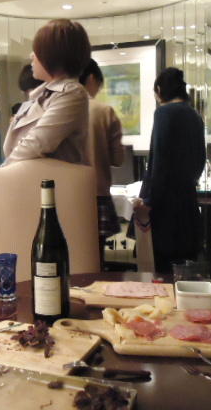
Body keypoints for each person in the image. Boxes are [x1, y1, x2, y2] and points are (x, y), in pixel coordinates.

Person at [134, 67, 206, 274]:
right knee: (183, 270)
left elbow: (160, 162)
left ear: (159, 90)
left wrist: (149, 200)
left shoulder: (164, 113)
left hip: (165, 206)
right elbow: (200, 160)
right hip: (188, 201)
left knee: (161, 269)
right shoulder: (194, 115)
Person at [3, 19, 91, 166]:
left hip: (50, 180)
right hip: (28, 177)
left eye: (37, 51)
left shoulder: (71, 93)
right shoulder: (42, 95)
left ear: (53, 56)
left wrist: (0, 172)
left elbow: (36, 143)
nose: (32, 55)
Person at [80, 58, 124, 268]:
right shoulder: (104, 112)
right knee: (97, 258)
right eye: (98, 84)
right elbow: (118, 159)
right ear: (91, 78)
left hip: (66, 194)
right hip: (97, 193)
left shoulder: (56, 110)